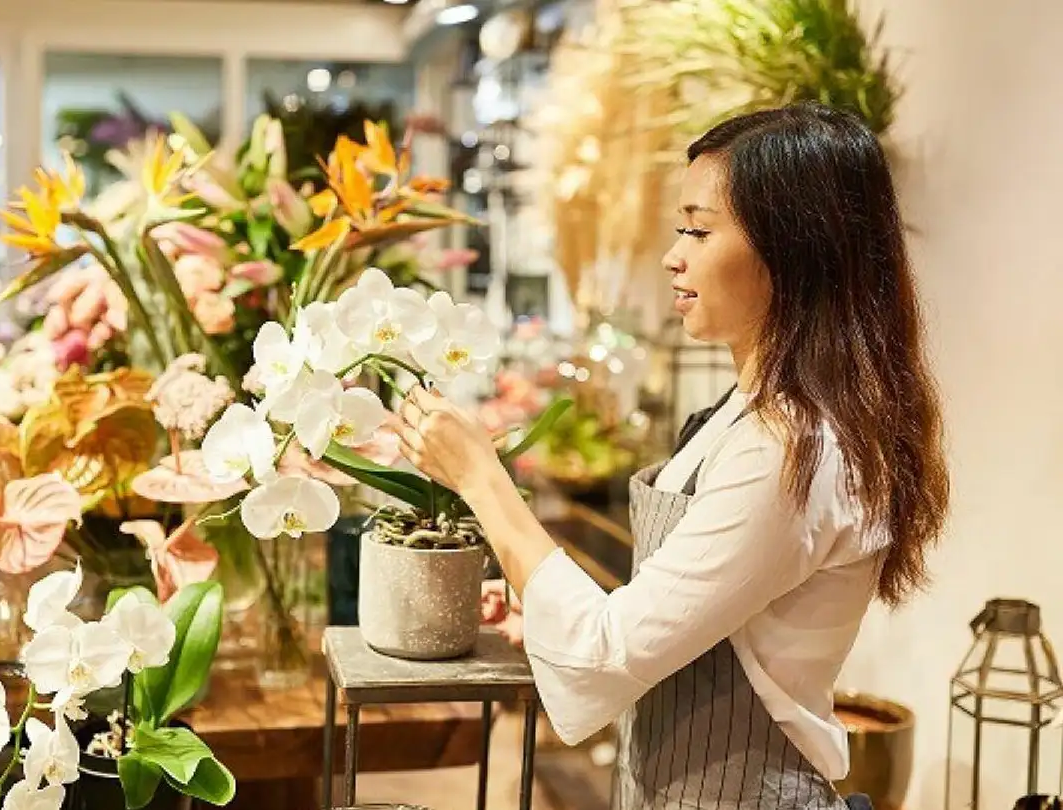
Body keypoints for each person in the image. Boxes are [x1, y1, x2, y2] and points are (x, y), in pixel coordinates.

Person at [399, 103, 950, 809]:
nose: (673, 254)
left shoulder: (791, 451)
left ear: (793, 248)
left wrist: (480, 477)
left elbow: (605, 652)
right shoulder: (738, 416)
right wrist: (540, 612)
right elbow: (662, 621)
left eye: (698, 229)